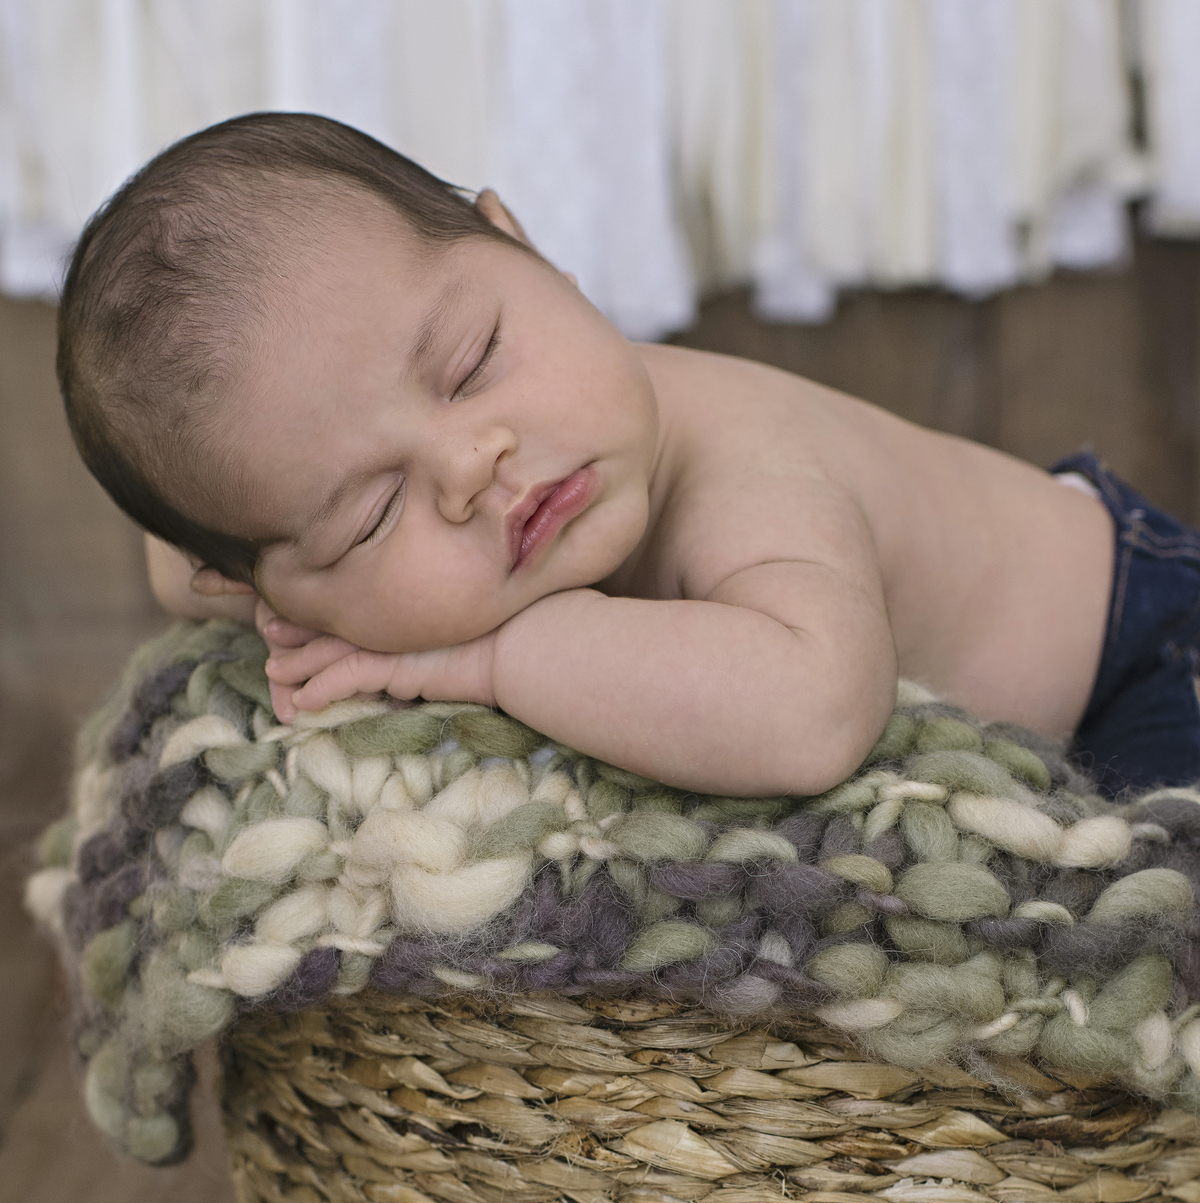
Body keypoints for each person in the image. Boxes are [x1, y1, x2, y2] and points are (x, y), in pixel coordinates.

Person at [58, 114, 1200, 801]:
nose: (472, 465)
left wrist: (489, 661)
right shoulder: (293, 563)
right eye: (371, 513)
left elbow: (813, 714)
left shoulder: (746, 468)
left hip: (1133, 653)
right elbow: (189, 564)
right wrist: (256, 570)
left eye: (471, 361)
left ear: (530, 249)